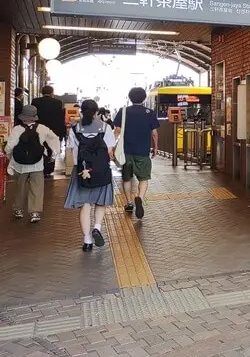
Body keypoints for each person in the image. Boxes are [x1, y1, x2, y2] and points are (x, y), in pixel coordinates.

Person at [64, 99, 115, 251]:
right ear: (96, 112)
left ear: (81, 111)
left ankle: (87, 240)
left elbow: (73, 152)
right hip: (101, 170)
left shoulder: (75, 129)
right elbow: (109, 152)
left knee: (85, 205)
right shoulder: (105, 127)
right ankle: (97, 228)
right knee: (100, 202)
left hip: (81, 171)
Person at [4, 104, 60, 223]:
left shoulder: (17, 129)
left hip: (20, 164)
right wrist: (54, 155)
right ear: (35, 116)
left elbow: (10, 146)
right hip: (37, 163)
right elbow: (54, 139)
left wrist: (9, 156)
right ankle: (34, 212)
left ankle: (18, 209)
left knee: (20, 187)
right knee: (37, 187)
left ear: (23, 117)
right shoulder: (42, 128)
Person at [114, 87, 159, 219]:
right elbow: (154, 133)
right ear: (144, 98)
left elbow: (116, 131)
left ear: (130, 97)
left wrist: (111, 147)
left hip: (126, 151)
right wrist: (155, 147)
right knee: (144, 178)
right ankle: (139, 197)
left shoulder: (123, 112)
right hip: (143, 151)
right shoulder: (149, 112)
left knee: (127, 178)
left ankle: (129, 203)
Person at [31, 86, 65, 177]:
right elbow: (60, 118)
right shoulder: (58, 102)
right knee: (51, 149)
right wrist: (62, 133)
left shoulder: (35, 101)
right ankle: (48, 169)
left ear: (42, 92)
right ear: (52, 93)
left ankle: (39, 167)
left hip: (38, 129)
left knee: (39, 147)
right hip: (53, 131)